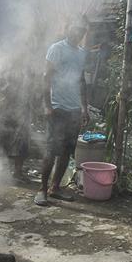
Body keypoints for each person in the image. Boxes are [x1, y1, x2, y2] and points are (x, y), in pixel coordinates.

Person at [35, 24, 89, 205]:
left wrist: (84, 108)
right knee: (51, 151)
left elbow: (82, 81)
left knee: (67, 150)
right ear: (68, 31)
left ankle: (55, 187)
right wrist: (47, 105)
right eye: (75, 30)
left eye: (81, 31)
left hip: (74, 110)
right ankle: (42, 190)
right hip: (57, 108)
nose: (78, 34)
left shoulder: (82, 53)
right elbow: (46, 77)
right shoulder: (56, 49)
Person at [0, 62, 35, 182]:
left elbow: (31, 87)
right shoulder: (6, 65)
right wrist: (3, 97)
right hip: (6, 107)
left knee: (22, 141)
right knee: (0, 138)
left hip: (22, 108)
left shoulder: (28, 67)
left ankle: (17, 172)